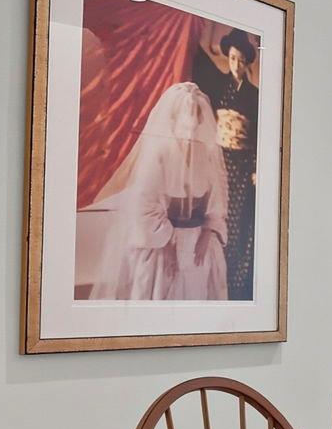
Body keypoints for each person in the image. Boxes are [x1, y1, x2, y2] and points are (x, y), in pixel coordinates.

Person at [95, 81, 228, 301]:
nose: (190, 133)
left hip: (198, 242)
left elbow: (217, 201)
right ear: (173, 121)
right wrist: (168, 244)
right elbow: (144, 205)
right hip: (161, 243)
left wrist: (207, 233)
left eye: (194, 125)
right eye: (185, 126)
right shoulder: (158, 153)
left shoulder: (205, 153)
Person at [192, 28, 262, 300]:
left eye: (241, 60)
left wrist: (255, 167)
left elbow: (258, 136)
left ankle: (236, 281)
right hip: (219, 160)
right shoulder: (218, 86)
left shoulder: (255, 95)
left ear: (247, 63)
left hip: (243, 164)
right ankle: (212, 279)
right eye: (233, 58)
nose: (236, 64)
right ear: (228, 58)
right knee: (215, 214)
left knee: (239, 220)